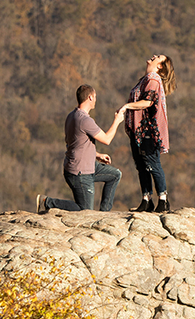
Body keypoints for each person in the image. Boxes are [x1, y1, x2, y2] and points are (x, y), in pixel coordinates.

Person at [36, 84, 127, 213]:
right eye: (95, 97)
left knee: (115, 175)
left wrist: (97, 154)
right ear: (90, 97)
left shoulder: (71, 116)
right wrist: (117, 121)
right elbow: (107, 139)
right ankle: (47, 202)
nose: (96, 99)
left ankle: (104, 213)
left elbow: (76, 144)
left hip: (86, 166)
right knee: (85, 211)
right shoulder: (85, 120)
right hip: (80, 173)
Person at [123, 53, 176, 213]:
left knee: (152, 164)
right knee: (142, 166)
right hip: (139, 131)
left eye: (158, 57)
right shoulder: (145, 79)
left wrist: (126, 107)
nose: (154, 56)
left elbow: (148, 101)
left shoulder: (153, 79)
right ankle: (146, 200)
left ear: (160, 66)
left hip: (148, 130)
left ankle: (163, 200)